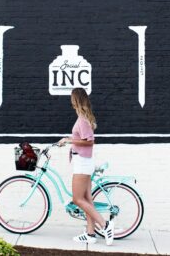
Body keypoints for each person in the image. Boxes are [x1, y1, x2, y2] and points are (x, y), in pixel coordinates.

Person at [58, 87, 115, 245]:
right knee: (87, 199)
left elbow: (89, 141)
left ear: (76, 100)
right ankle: (90, 234)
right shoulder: (82, 117)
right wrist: (69, 139)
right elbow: (83, 138)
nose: (70, 101)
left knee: (77, 199)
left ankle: (105, 224)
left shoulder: (82, 119)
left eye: (72, 98)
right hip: (83, 161)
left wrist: (69, 140)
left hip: (82, 163)